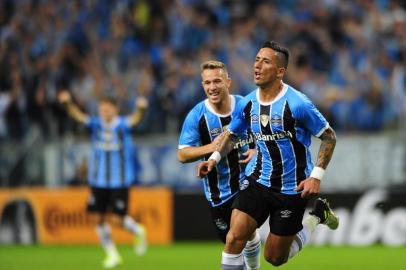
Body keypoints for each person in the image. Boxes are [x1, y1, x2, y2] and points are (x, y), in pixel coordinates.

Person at [197, 41, 339, 269]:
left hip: (292, 187)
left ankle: (316, 218)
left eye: (265, 61)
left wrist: (316, 176)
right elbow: (231, 134)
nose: (257, 66)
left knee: (274, 258)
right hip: (258, 181)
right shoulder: (248, 103)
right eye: (256, 60)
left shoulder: (298, 103)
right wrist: (213, 159)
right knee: (234, 237)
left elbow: (329, 137)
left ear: (280, 72)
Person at [178, 60, 261, 270]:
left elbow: (267, 133)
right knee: (235, 242)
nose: (212, 87)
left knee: (237, 240)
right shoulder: (197, 116)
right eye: (207, 83)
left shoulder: (245, 105)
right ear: (202, 85)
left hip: (248, 184)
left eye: (217, 81)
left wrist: (257, 149)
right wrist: (211, 147)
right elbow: (182, 154)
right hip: (219, 194)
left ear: (228, 82)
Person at [58, 90, 148, 269]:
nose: (104, 113)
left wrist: (141, 109)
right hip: (98, 180)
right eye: (101, 110)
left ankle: (138, 230)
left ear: (115, 110)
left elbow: (136, 119)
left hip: (120, 180)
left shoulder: (122, 124)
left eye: (107, 109)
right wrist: (68, 103)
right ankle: (113, 255)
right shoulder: (96, 124)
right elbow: (77, 116)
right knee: (97, 219)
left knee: (116, 220)